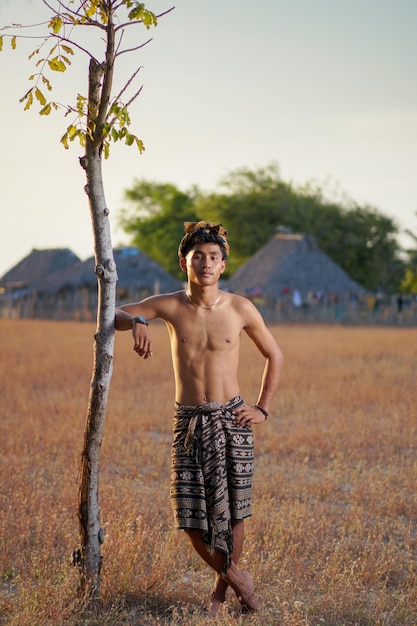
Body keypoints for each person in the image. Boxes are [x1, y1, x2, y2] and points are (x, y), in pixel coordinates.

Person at [115, 221, 284, 615]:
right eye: (198, 257)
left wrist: (262, 408)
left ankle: (221, 593)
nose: (206, 263)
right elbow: (116, 313)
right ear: (183, 262)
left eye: (213, 257)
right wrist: (138, 322)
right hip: (189, 421)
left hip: (234, 419)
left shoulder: (241, 308)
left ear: (223, 265)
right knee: (190, 515)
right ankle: (239, 578)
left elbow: (275, 355)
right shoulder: (170, 304)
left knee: (234, 513)